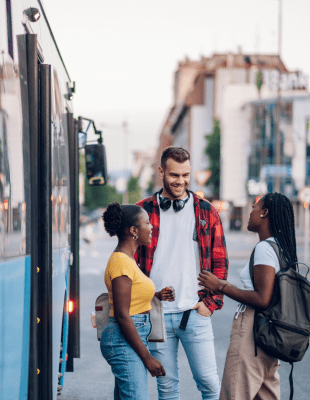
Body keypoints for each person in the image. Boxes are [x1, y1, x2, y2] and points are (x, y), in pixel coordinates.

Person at [135, 146, 229, 400]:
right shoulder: (141, 212)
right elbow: (129, 265)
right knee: (167, 388)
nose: (181, 181)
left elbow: (220, 262)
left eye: (186, 175)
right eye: (175, 175)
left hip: (194, 312)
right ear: (161, 172)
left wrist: (210, 304)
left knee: (210, 384)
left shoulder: (207, 211)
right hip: (157, 314)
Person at [198, 192, 298, 400]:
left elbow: (263, 298)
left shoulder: (264, 248)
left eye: (255, 207)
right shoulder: (281, 248)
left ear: (264, 213)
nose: (250, 212)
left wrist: (220, 286)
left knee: (233, 394)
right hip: (271, 332)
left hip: (253, 331)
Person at [100, 202, 175, 400]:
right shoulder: (121, 261)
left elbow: (130, 298)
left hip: (129, 336)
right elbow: (123, 314)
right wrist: (147, 357)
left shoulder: (127, 260)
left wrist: (156, 295)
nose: (152, 227)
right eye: (147, 223)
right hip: (122, 338)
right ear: (134, 230)